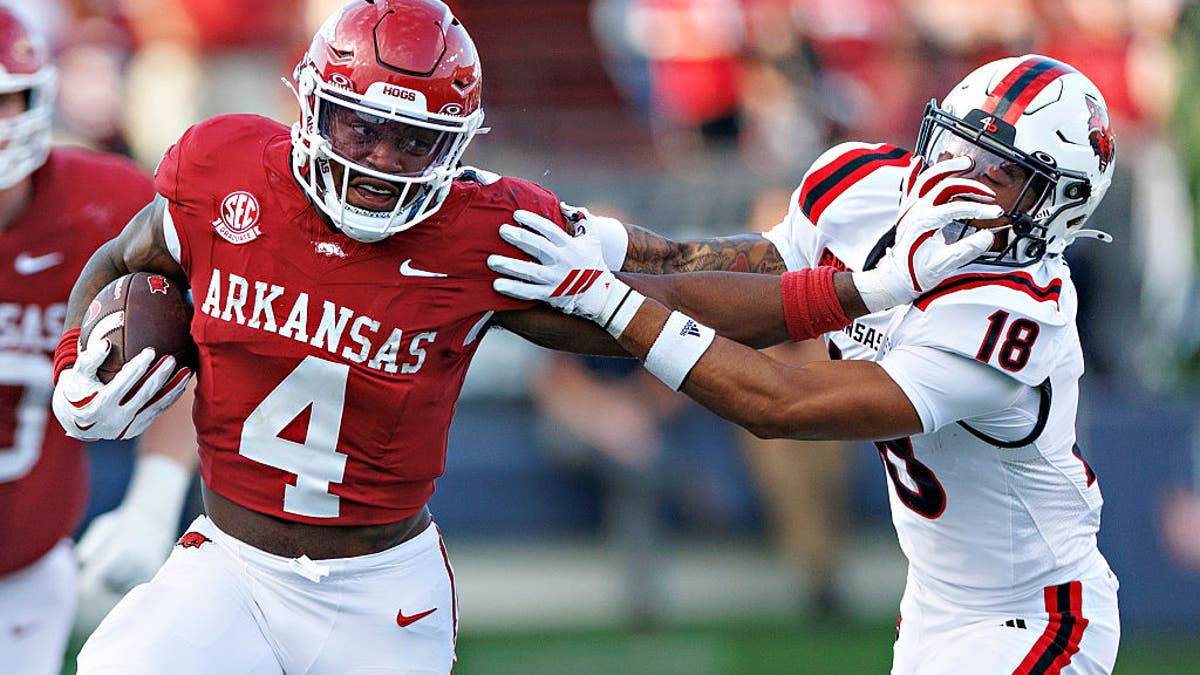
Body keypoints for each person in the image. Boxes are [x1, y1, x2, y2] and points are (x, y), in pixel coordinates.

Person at [48, 1, 994, 672]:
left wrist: (850, 292)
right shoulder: (222, 169)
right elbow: (134, 257)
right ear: (311, 107)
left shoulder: (479, 232)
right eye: (358, 127)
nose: (379, 162)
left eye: (410, 140)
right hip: (229, 560)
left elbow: (666, 292)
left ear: (456, 145)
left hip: (378, 593)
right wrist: (74, 370)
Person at [489, 54, 1122, 673]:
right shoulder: (863, 187)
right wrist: (604, 242)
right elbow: (744, 284)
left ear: (1058, 206)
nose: (958, 176)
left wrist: (606, 297)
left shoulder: (1018, 312)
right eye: (957, 147)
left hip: (1034, 612)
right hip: (933, 602)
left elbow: (781, 403)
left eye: (996, 172)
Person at [0, 7, 195, 675]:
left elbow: (201, 341)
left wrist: (155, 496)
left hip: (22, 569)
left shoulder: (105, 204)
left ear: (37, 96)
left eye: (2, 99)